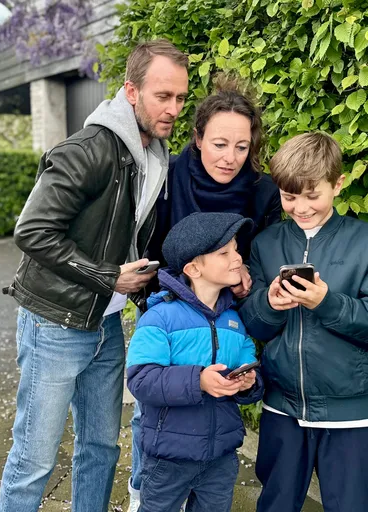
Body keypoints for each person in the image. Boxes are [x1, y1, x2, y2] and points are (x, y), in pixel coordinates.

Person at [0, 39, 189, 512]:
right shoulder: (87, 150)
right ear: (131, 91)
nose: (173, 109)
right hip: (55, 324)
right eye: (162, 96)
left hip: (106, 324)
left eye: (180, 98)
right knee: (34, 460)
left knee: (101, 451)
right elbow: (33, 231)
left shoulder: (156, 155)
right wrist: (107, 276)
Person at [238, 132, 368, 511]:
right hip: (282, 409)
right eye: (289, 196)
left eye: (312, 195)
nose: (300, 208)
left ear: (338, 184)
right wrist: (269, 304)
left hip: (353, 416)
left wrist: (328, 303)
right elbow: (254, 327)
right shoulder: (266, 244)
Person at [127, 78, 281, 511]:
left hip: (225, 313)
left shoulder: (263, 192)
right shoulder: (165, 175)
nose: (230, 158)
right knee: (154, 412)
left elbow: (267, 255)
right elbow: (144, 239)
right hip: (169, 306)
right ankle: (147, 491)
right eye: (219, 144)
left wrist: (245, 269)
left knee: (215, 400)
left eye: (241, 146)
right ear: (197, 139)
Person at [126, 212, 264, 512]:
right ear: (193, 268)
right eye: (224, 252)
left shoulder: (234, 320)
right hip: (168, 460)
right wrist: (198, 380)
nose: (237, 258)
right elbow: (141, 379)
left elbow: (248, 364)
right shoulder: (159, 318)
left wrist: (247, 383)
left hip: (220, 459)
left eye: (236, 249)